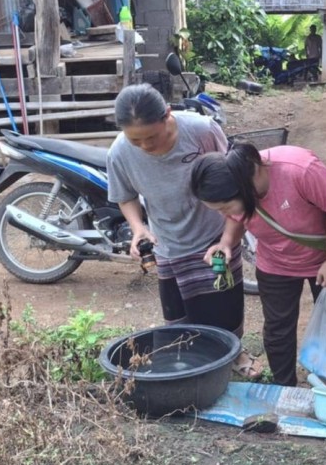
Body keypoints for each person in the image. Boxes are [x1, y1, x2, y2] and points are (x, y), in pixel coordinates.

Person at [107, 84, 260, 377]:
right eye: (135, 140)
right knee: (179, 312)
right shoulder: (119, 152)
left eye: (151, 136)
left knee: (224, 300)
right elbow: (124, 196)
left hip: (214, 236)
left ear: (167, 115)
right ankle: (195, 360)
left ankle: (234, 352)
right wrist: (138, 228)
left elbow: (232, 179)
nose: (145, 146)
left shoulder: (201, 130)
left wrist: (229, 238)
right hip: (168, 242)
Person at [190, 142, 326, 387]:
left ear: (244, 187)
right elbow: (236, 215)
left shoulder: (300, 169)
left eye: (224, 207)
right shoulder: (237, 189)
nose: (223, 213)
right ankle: (284, 386)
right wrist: (226, 242)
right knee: (277, 328)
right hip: (276, 262)